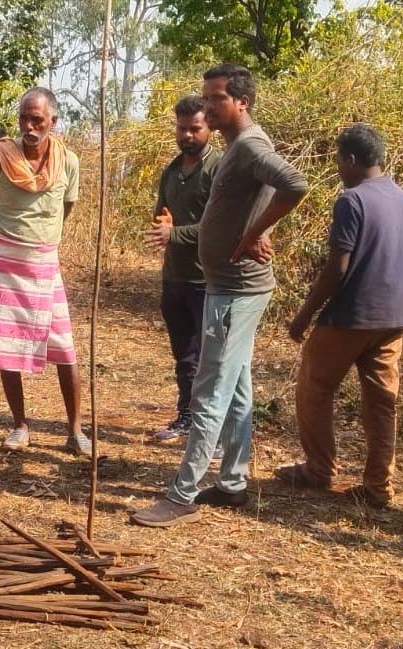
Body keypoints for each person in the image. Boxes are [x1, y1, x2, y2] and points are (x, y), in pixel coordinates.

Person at [132, 64, 308, 527]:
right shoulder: (236, 147)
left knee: (210, 390)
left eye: (217, 99)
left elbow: (295, 184)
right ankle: (232, 484)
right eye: (206, 97)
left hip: (236, 288)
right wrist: (253, 228)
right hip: (224, 285)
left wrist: (255, 232)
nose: (208, 106)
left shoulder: (249, 145)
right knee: (237, 389)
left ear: (241, 102)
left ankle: (182, 494)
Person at [275, 124, 403, 509]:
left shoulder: (352, 200)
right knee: (382, 402)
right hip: (393, 318)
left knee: (314, 387)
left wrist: (303, 317)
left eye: (338, 160)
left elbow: (337, 267)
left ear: (351, 159)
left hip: (351, 316)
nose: (338, 168)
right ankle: (378, 487)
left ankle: (319, 470)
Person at [0, 87, 90, 456]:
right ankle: (20, 426)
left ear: (53, 121)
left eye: (36, 119)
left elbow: (64, 210)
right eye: (23, 118)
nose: (28, 126)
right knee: (6, 345)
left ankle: (75, 431)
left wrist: (40, 243)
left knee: (65, 349)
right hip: (3, 263)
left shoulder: (67, 161)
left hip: (44, 265)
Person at [145, 95, 222, 443]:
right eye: (182, 129)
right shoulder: (172, 170)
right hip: (174, 276)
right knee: (184, 355)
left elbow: (220, 227)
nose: (188, 135)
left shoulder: (218, 169)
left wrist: (174, 233)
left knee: (210, 360)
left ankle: (212, 428)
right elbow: (162, 216)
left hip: (206, 279)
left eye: (195, 128)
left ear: (210, 128)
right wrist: (164, 226)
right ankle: (186, 416)